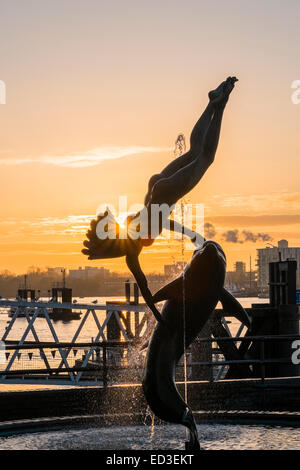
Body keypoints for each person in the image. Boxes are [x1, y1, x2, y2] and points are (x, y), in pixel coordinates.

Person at [82, 76, 238, 323]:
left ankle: (220, 104)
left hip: (165, 192)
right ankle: (211, 102)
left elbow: (144, 287)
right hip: (155, 187)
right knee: (195, 151)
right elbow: (159, 224)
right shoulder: (130, 231)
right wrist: (187, 232)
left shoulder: (132, 250)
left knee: (206, 157)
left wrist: (158, 315)